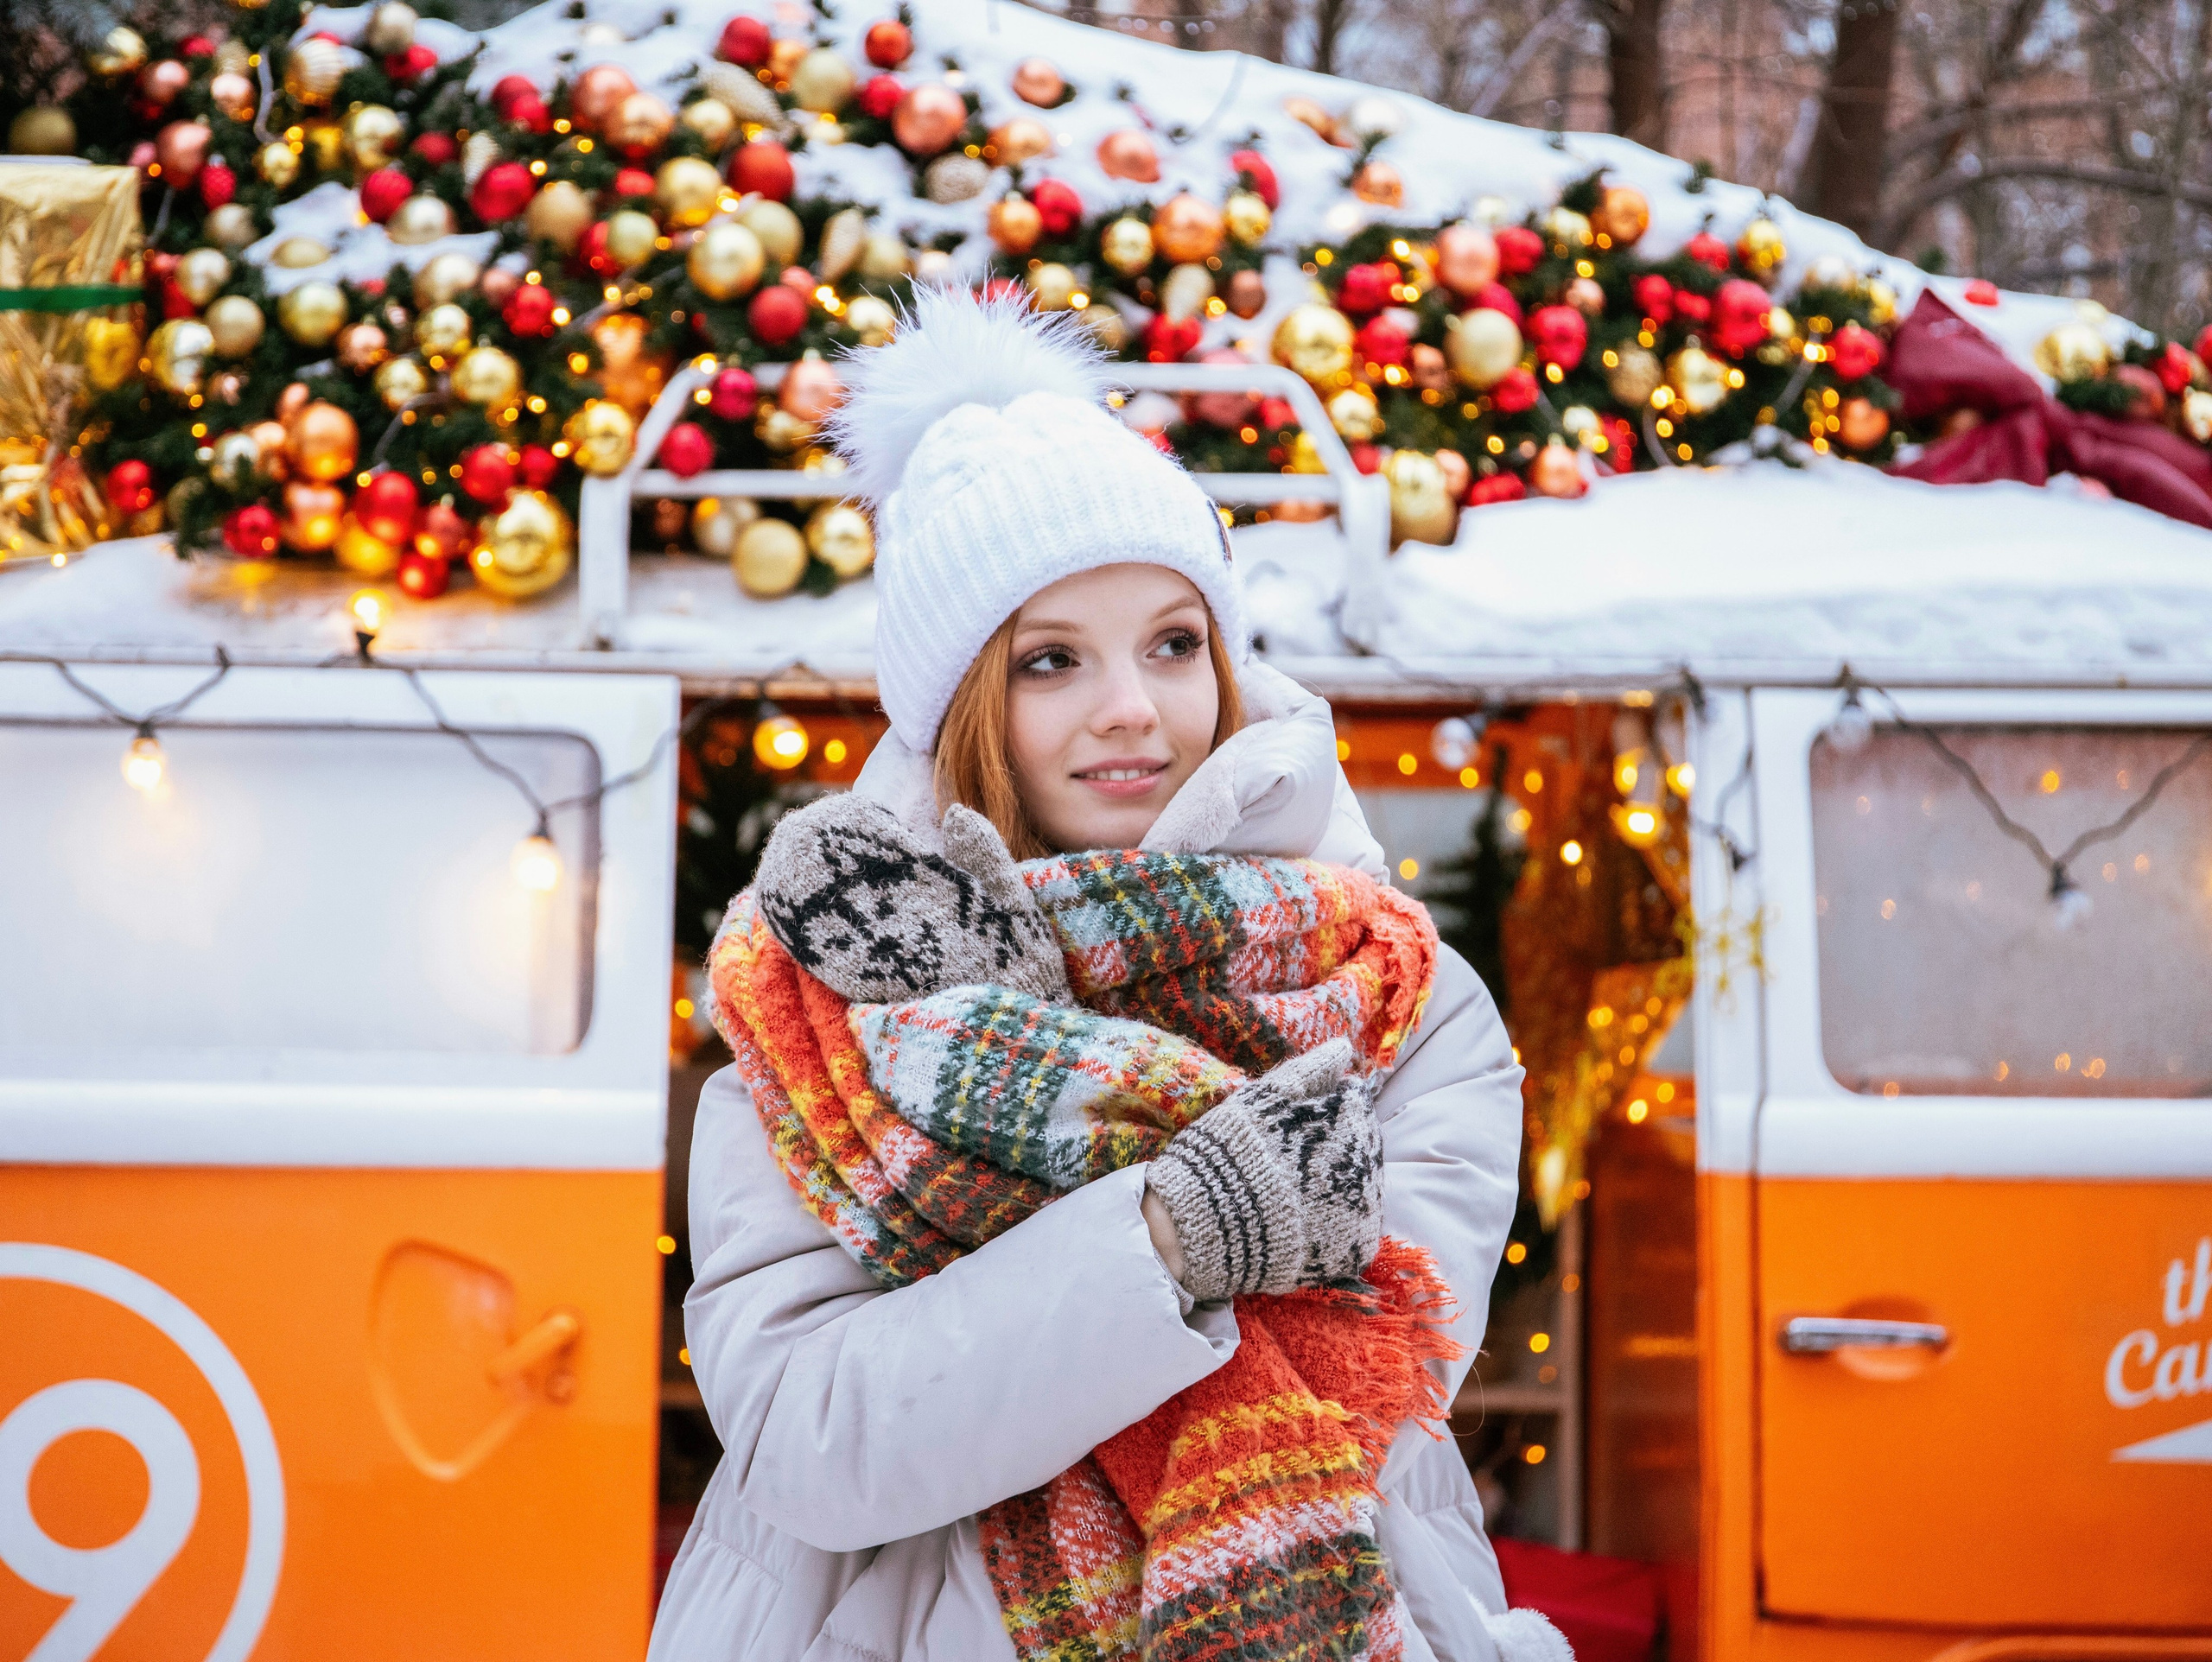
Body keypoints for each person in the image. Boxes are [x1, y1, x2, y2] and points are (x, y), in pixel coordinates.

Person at [650, 289, 1557, 1662]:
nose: (1132, 704)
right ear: (964, 704)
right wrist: (1168, 1245)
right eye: (1053, 661)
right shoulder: (820, 1012)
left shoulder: (1400, 1003)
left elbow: (1376, 1359)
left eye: (1174, 643)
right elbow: (812, 1440)